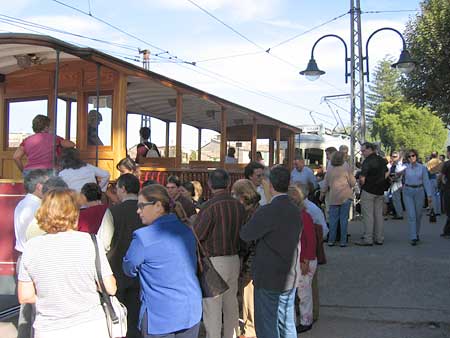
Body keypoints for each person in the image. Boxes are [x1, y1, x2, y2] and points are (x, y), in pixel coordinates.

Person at [18, 189, 116, 338]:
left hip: (49, 328)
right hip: (91, 326)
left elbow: (25, 296)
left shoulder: (31, 247)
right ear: (74, 213)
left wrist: (50, 298)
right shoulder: (91, 242)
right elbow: (110, 288)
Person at [123, 184, 202, 338]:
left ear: (158, 206)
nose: (138, 211)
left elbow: (129, 268)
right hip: (191, 310)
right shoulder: (186, 229)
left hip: (160, 315)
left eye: (141, 206)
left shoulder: (143, 238)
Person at [240, 165, 303, 338]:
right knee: (286, 323)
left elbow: (246, 234)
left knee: (267, 326)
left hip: (269, 277)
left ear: (269, 184)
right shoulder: (295, 209)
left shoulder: (267, 211)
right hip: (290, 275)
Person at [194, 169, 246, 338]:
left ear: (209, 184)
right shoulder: (239, 206)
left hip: (214, 262)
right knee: (231, 303)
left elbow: (198, 235)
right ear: (228, 183)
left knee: (213, 307)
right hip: (234, 258)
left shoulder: (209, 207)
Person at [108, 174, 145, 338]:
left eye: (117, 188)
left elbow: (103, 243)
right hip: (142, 271)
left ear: (123, 188)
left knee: (119, 317)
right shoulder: (146, 211)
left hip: (117, 269)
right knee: (136, 317)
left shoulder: (113, 211)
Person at [14, 169, 49, 338]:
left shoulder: (23, 203)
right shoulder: (36, 207)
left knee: (27, 308)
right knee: (38, 306)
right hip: (35, 257)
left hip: (23, 255)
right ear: (39, 186)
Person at [231, 179, 260, 338]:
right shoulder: (256, 209)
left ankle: (250, 331)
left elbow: (247, 240)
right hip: (254, 258)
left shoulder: (249, 213)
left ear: (242, 196)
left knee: (249, 297)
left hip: (251, 260)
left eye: (234, 194)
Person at [287, 186, 317, 333]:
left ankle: (306, 320)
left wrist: (305, 259)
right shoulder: (299, 216)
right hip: (298, 259)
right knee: (300, 292)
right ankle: (302, 319)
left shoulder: (304, 217)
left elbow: (310, 241)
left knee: (304, 293)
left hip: (304, 260)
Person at [321, 151, 356, 247]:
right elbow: (352, 182)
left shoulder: (330, 168)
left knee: (333, 220)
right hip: (345, 196)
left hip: (334, 196)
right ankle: (343, 241)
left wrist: (322, 193)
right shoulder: (346, 167)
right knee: (344, 219)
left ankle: (331, 240)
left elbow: (325, 183)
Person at [356, 142, 388, 246]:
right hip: (380, 190)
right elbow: (387, 172)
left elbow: (362, 178)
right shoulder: (381, 160)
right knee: (378, 215)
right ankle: (379, 238)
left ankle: (368, 238)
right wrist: (381, 180)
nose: (362, 153)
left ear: (370, 149)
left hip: (368, 190)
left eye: (363, 151)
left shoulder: (367, 161)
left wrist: (362, 184)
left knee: (368, 215)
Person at [401, 149, 432, 245]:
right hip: (407, 191)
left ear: (416, 156)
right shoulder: (405, 167)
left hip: (419, 191)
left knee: (418, 215)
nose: (411, 158)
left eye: (413, 155)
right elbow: (398, 172)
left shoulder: (422, 168)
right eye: (409, 156)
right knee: (411, 215)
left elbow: (426, 181)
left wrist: (429, 195)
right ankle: (413, 236)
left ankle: (416, 233)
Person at [78, 183, 114, 253]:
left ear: (83, 196)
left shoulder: (81, 214)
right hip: (103, 252)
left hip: (86, 251)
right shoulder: (107, 210)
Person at [388, 151, 406, 219]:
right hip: (393, 182)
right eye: (392, 156)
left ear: (398, 157)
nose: (393, 158)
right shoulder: (392, 164)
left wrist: (394, 177)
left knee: (397, 199)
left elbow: (400, 173)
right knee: (395, 199)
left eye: (395, 156)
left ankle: (399, 214)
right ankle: (398, 213)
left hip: (397, 182)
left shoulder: (399, 164)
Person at [426, 151, 442, 216]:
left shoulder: (429, 162)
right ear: (437, 155)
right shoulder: (440, 162)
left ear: (431, 155)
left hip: (432, 179)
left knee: (433, 196)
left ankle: (434, 211)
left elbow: (429, 171)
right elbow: (442, 171)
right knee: (438, 196)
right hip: (439, 179)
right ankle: (439, 211)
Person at [440, 146, 450, 237]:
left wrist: (444, 185)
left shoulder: (447, 164)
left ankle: (447, 231)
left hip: (448, 189)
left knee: (448, 210)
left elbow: (442, 178)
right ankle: (446, 230)